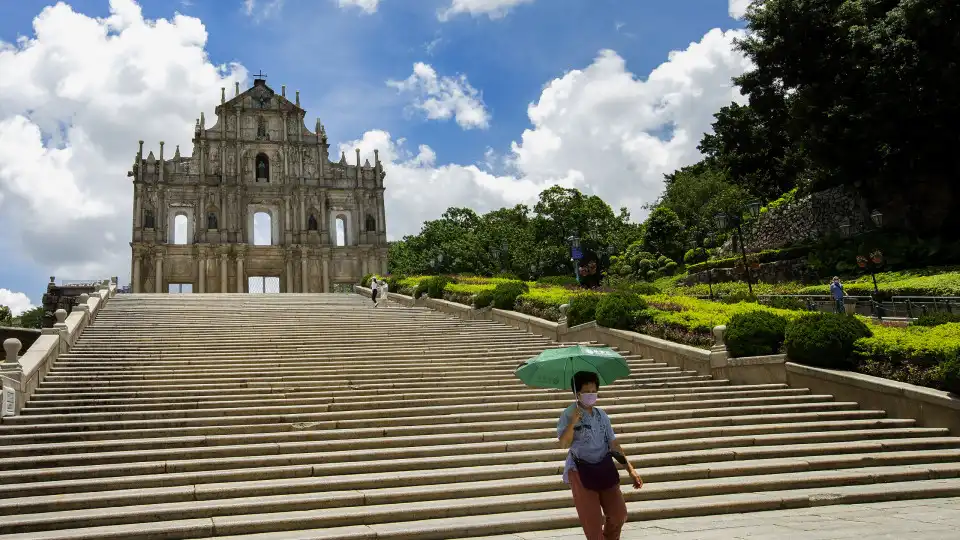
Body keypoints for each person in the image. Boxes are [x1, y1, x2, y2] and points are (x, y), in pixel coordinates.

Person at [558, 371, 643, 539]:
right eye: (586, 391)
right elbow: (563, 444)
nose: (591, 395)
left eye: (593, 391)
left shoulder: (602, 415)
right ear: (577, 393)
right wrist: (573, 423)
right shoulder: (568, 414)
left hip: (604, 467)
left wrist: (630, 469)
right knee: (593, 522)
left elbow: (614, 444)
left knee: (619, 514)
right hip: (580, 470)